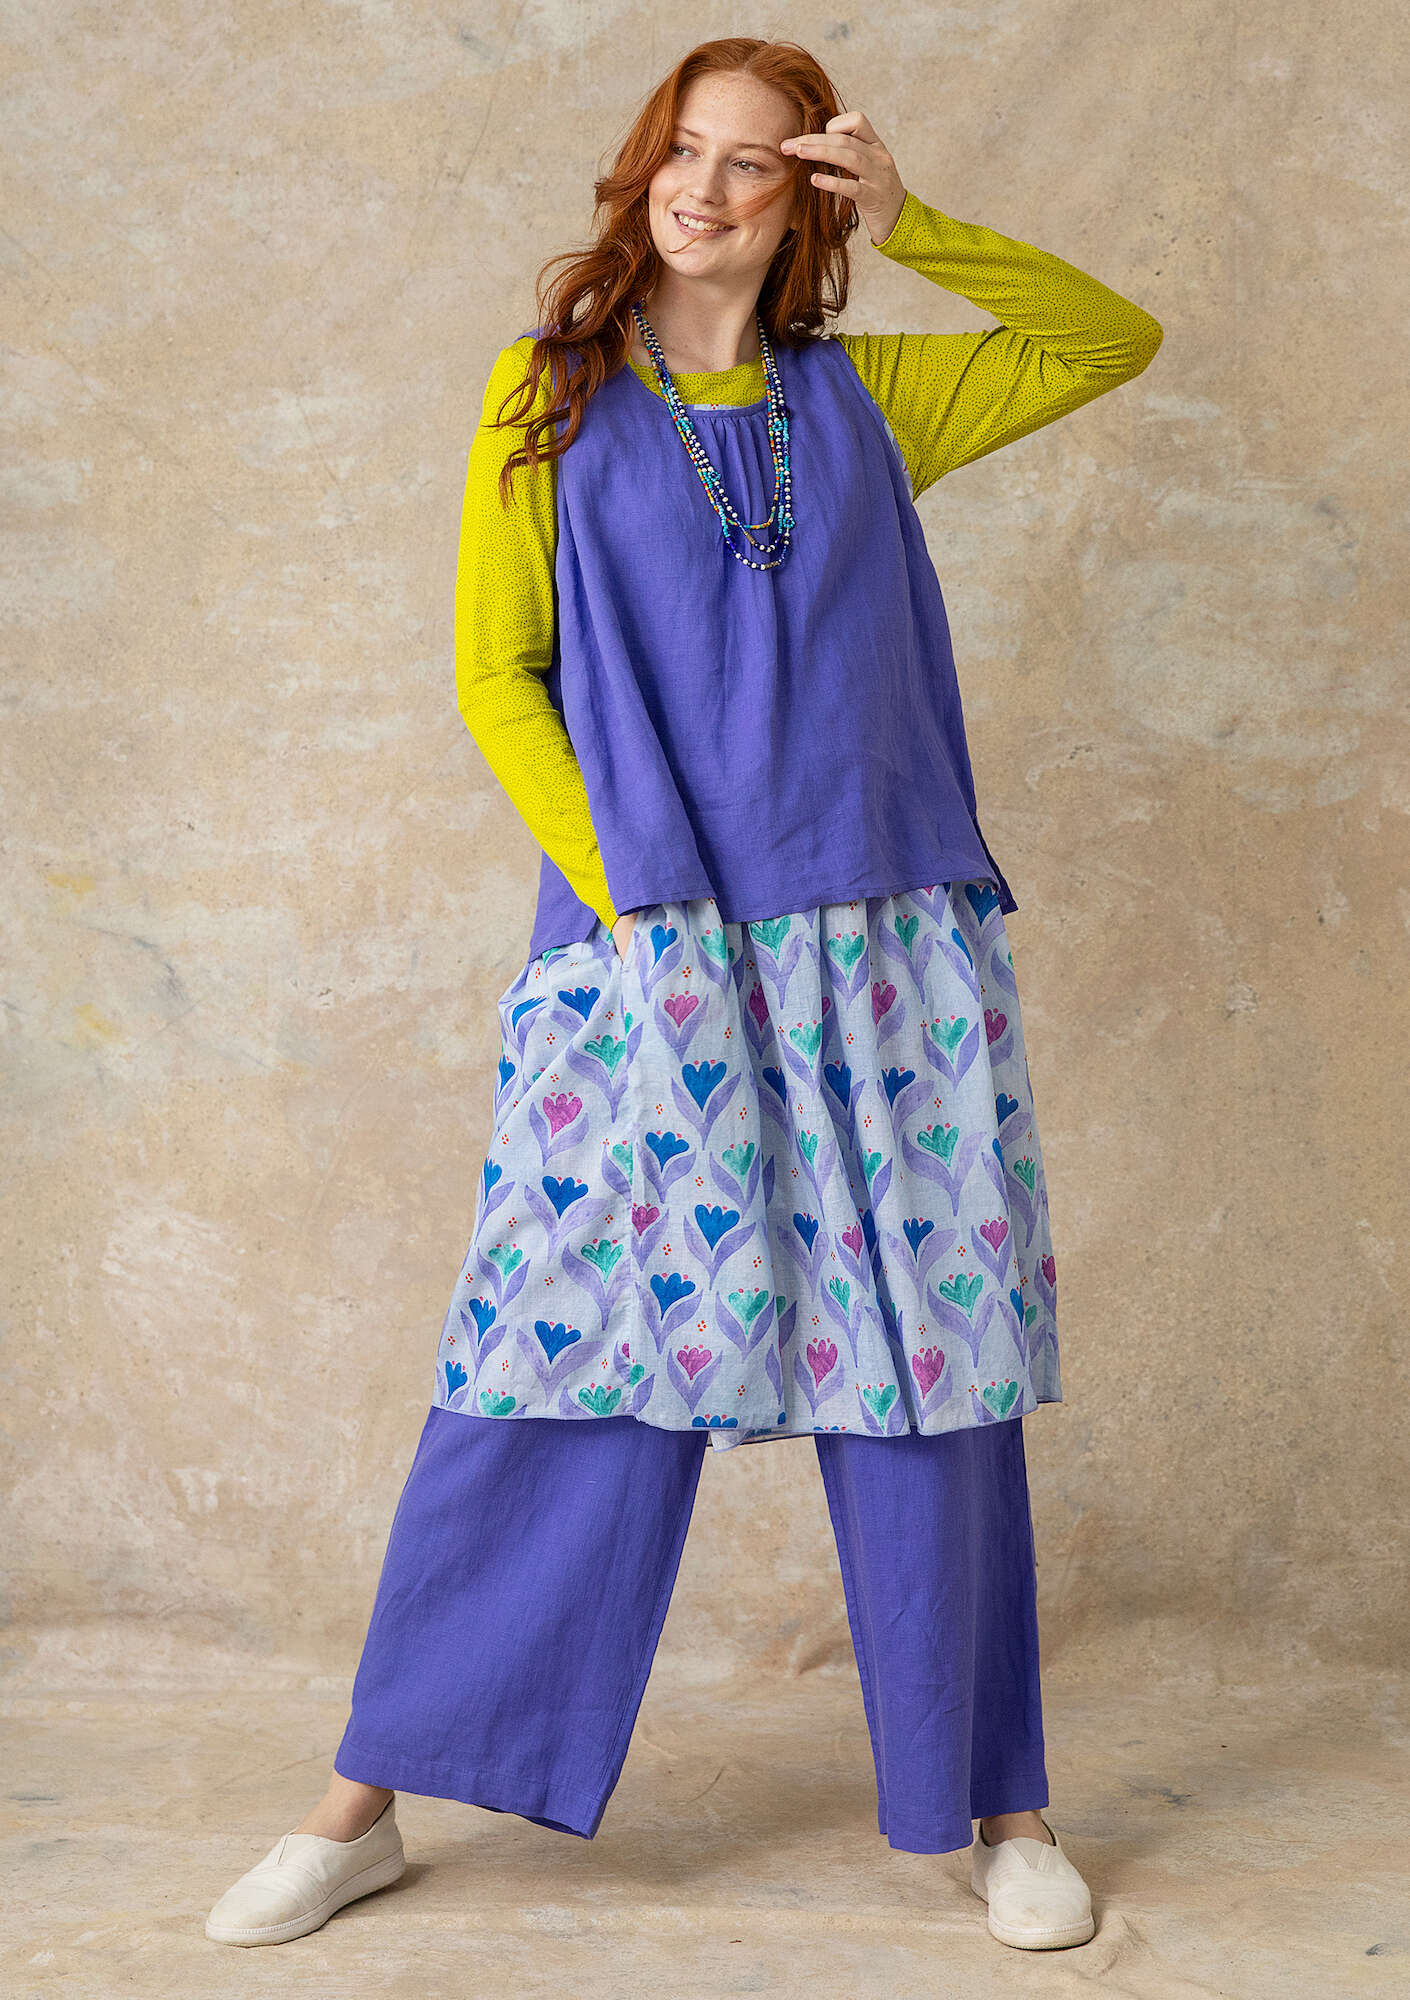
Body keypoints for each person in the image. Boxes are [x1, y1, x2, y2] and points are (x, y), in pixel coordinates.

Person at [205, 35, 1161, 1956]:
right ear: (641, 168)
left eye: (753, 163)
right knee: (558, 1358)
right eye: (683, 151)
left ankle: (1000, 1809)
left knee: (931, 1368)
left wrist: (923, 225)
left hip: (886, 949)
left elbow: (1102, 340)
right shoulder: (544, 396)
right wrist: (635, 896)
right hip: (647, 947)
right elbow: (496, 677)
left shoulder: (872, 400)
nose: (703, 189)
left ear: (807, 199)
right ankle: (364, 1805)